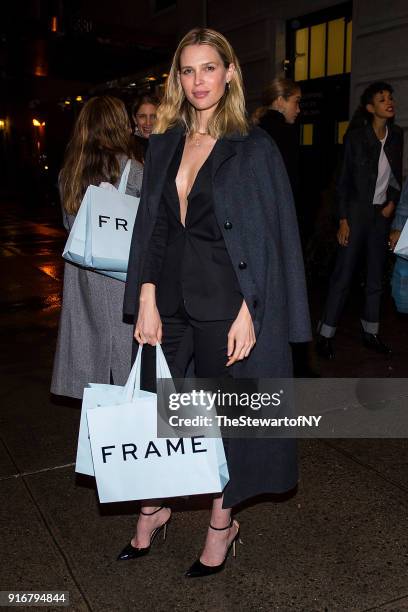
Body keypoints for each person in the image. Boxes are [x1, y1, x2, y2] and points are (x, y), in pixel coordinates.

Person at [122, 27, 311, 578]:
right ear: (177, 78)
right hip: (172, 303)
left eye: (209, 68)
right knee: (160, 417)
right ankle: (154, 509)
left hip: (229, 307)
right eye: (188, 70)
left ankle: (221, 525)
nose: (198, 80)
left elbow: (272, 238)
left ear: (229, 73)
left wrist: (252, 310)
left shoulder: (253, 147)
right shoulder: (163, 141)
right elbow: (153, 228)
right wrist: (148, 297)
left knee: (226, 422)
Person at [51, 96, 144, 399]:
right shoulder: (133, 169)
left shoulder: (70, 172)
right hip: (122, 275)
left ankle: (103, 434)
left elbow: (68, 223)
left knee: (93, 361)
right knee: (126, 361)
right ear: (119, 125)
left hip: (81, 276)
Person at [316, 81, 403, 359]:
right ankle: (325, 334)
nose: (389, 102)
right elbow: (343, 182)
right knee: (343, 275)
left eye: (390, 98)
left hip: (380, 216)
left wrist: (391, 201)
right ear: (370, 108)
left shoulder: (397, 135)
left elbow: (396, 177)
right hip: (355, 213)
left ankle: (371, 331)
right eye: (381, 99)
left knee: (376, 277)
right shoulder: (355, 138)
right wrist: (343, 219)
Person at [252, 77, 301, 194]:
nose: (298, 109)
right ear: (280, 101)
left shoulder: (255, 129)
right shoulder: (284, 134)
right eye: (296, 101)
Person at [131, 94, 160, 159]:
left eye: (153, 116)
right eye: (142, 116)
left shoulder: (168, 145)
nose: (148, 123)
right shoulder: (128, 150)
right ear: (135, 119)